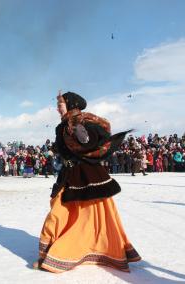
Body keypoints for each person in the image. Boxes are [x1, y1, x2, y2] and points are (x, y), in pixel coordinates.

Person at [35, 91, 141, 273]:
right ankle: (49, 254)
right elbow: (65, 148)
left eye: (60, 104)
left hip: (89, 175)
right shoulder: (60, 127)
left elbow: (94, 140)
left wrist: (83, 135)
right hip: (68, 175)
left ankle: (89, 250)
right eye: (58, 104)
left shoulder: (84, 121)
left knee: (97, 216)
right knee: (57, 213)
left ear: (70, 104)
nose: (57, 108)